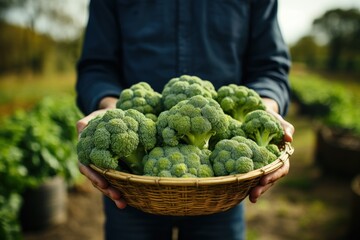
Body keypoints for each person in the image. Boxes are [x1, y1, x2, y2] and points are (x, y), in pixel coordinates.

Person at [75, 0, 295, 239]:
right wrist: (108, 108)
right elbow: (96, 66)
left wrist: (265, 110)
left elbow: (270, 67)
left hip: (222, 184)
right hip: (131, 188)